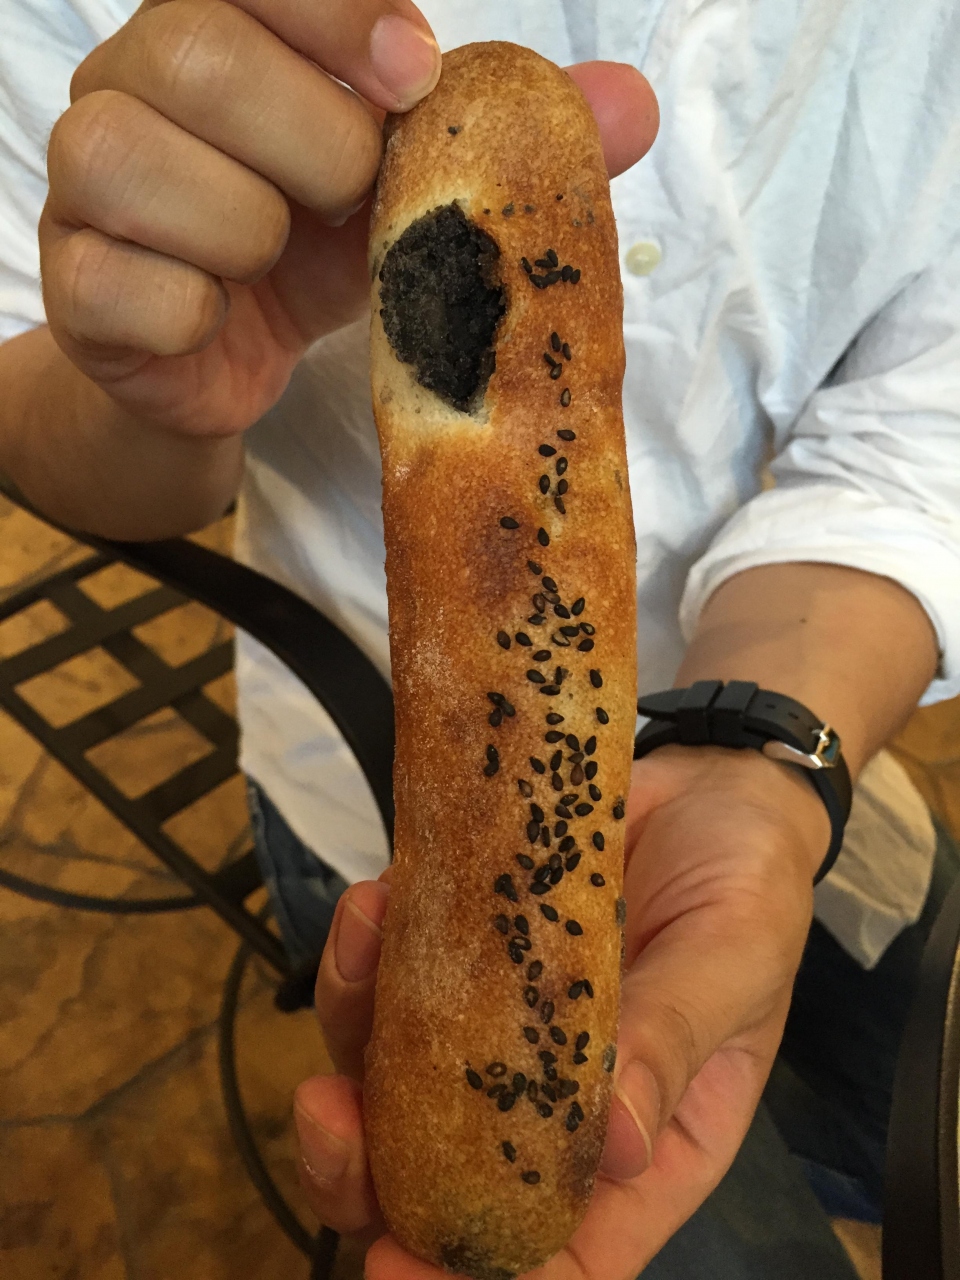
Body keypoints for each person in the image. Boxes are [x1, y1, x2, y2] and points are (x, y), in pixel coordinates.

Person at [1, 0, 959, 1275]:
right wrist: (146, 392)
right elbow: (25, 397)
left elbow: (914, 440)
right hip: (368, 820)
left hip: (790, 726)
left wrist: (762, 762)